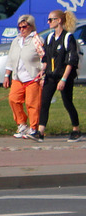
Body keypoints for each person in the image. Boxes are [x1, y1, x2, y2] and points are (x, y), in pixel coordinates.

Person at [31, 10, 81, 142]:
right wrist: (43, 70)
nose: (48, 22)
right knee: (45, 102)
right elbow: (47, 57)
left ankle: (76, 129)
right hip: (51, 76)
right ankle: (40, 132)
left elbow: (71, 60)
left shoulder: (68, 38)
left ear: (59, 21)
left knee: (67, 102)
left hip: (64, 76)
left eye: (51, 19)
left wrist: (63, 79)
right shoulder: (49, 38)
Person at [3, 14, 45, 139]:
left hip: (32, 77)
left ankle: (33, 128)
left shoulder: (37, 40)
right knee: (13, 99)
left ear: (31, 27)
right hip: (18, 77)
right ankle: (22, 125)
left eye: (24, 27)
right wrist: (7, 76)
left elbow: (44, 58)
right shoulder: (16, 41)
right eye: (19, 27)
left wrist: (42, 72)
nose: (21, 29)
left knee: (32, 103)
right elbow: (10, 59)